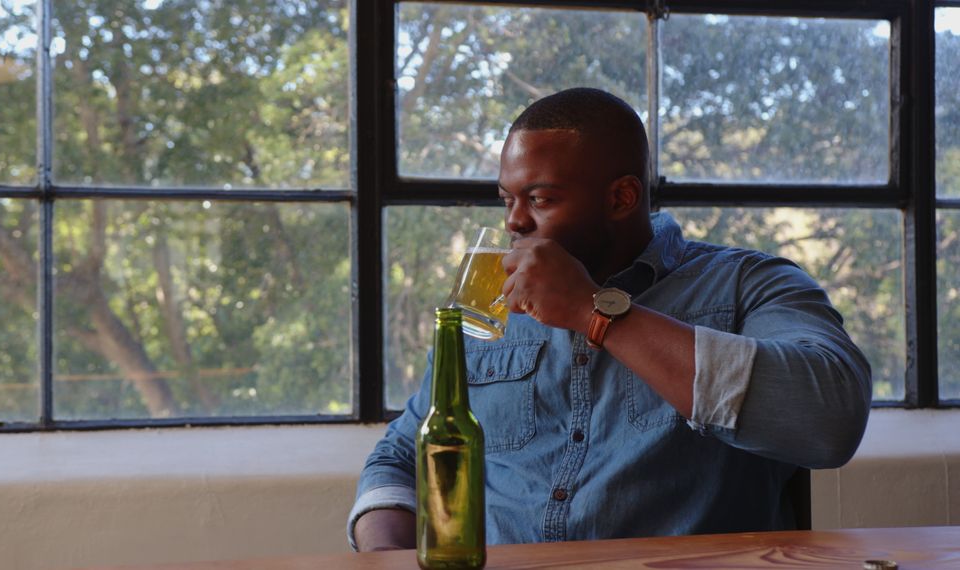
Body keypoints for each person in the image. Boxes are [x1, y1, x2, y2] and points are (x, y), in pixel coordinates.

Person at [348, 87, 872, 551]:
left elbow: (829, 420)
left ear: (622, 197)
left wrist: (591, 309)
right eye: (507, 199)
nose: (514, 221)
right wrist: (387, 558)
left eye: (540, 198)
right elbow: (402, 456)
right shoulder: (486, 306)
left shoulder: (746, 285)